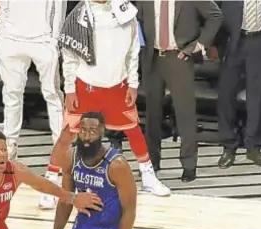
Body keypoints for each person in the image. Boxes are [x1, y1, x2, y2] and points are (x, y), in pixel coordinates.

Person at [48, 0, 170, 201]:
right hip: (85, 86)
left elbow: (133, 52)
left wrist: (132, 83)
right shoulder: (78, 16)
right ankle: (52, 180)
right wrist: (69, 89)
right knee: (68, 134)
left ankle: (148, 176)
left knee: (133, 130)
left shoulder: (126, 11)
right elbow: (69, 56)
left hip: (117, 86)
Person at [0, 0, 67, 209]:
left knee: (52, 96)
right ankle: (10, 146)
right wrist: (5, 30)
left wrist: (54, 38)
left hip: (42, 39)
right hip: (11, 38)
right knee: (11, 94)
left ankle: (60, 157)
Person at [137, 0, 222, 182]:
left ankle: (189, 165)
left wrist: (198, 45)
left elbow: (215, 15)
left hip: (179, 57)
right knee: (152, 115)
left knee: (185, 114)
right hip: (151, 58)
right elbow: (138, 20)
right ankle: (152, 162)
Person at [215, 0, 261, 169]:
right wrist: (219, 46)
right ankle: (229, 146)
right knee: (226, 96)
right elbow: (214, 13)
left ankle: (253, 145)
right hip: (234, 43)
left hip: (259, 42)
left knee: (256, 97)